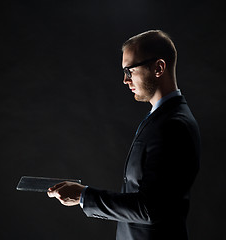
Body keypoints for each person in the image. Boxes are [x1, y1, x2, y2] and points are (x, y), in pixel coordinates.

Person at [47, 30, 201, 240]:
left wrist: (83, 195)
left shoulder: (173, 125)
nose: (125, 80)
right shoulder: (161, 118)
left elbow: (149, 209)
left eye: (130, 71)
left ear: (158, 68)